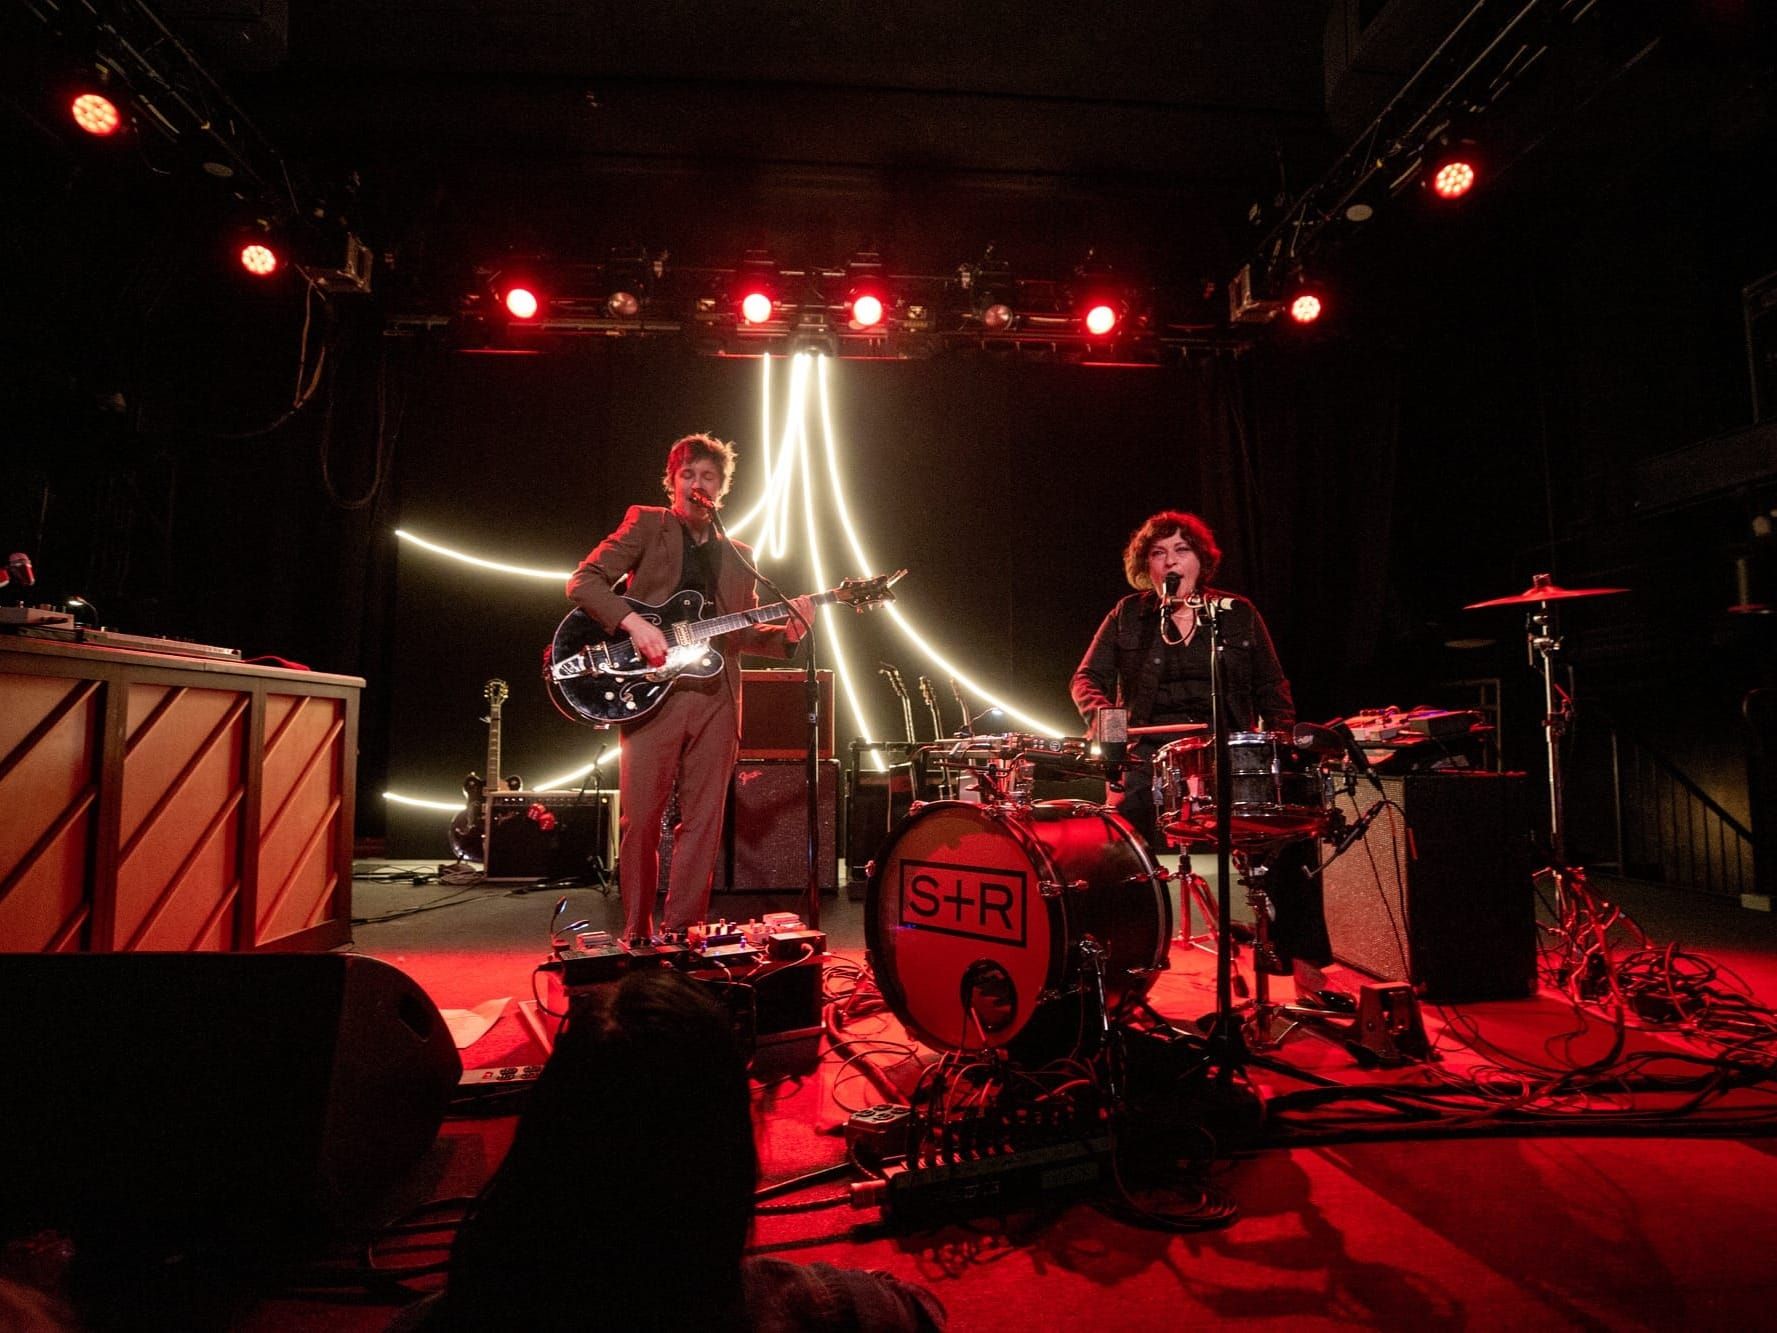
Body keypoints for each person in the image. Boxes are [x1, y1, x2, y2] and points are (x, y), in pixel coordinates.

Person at [408, 970, 945, 1331]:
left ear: (544, 1126)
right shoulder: (813, 1304)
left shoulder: (433, 1320)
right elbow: (921, 1310)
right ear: (729, 1151)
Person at [1069, 510, 1339, 1003]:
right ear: (1146, 566)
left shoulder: (1236, 613)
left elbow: (1272, 687)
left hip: (1226, 751)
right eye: (1158, 553)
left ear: (1200, 560)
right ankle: (1117, 973)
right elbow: (1086, 679)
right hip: (1150, 756)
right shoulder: (1128, 614)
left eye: (1181, 550)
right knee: (1110, 848)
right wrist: (1110, 722)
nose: (1170, 561)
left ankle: (1306, 972)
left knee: (1291, 834)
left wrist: (1280, 744)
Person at [567, 433, 813, 941]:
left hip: (716, 696)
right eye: (688, 475)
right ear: (672, 481)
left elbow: (739, 632)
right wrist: (634, 624)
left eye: (708, 477)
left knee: (703, 821)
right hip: (650, 693)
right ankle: (637, 931)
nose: (697, 484)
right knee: (641, 820)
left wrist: (789, 633)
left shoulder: (739, 554)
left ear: (721, 488)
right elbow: (584, 581)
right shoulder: (648, 523)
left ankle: (684, 931)